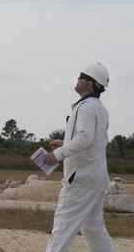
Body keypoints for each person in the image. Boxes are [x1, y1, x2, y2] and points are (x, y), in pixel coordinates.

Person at [43, 62, 115, 252]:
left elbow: (85, 137)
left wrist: (58, 154)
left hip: (81, 177)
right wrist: (65, 142)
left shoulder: (86, 107)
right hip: (95, 175)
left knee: (63, 225)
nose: (77, 79)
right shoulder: (98, 107)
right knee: (94, 229)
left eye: (81, 76)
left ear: (90, 84)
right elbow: (92, 140)